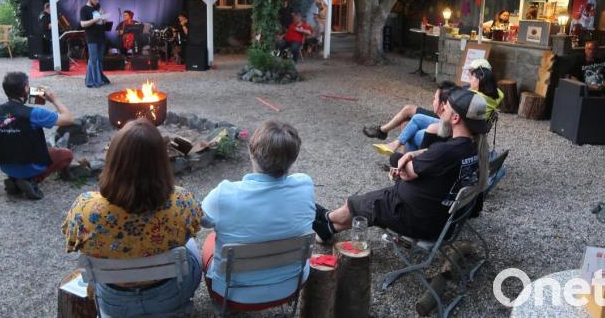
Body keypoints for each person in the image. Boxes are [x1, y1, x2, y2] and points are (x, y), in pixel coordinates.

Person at [62, 119, 203, 316]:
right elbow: (195, 227)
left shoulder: (84, 207)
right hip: (170, 296)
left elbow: (73, 242)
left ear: (113, 159)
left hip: (114, 302)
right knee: (190, 246)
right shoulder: (181, 201)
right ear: (162, 162)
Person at [314, 89, 488, 243]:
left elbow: (406, 172)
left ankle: (325, 216)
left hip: (414, 218)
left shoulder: (445, 151)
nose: (442, 110)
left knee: (355, 204)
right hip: (440, 219)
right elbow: (431, 156)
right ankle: (328, 228)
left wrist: (403, 160)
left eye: (447, 108)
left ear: (456, 118)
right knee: (368, 203)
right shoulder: (475, 147)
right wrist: (412, 154)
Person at [200, 120, 314, 306]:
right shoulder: (305, 185)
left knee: (210, 240)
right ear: (293, 157)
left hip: (232, 294)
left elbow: (203, 221)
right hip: (290, 286)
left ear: (251, 152)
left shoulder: (224, 193)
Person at [0, 72, 75, 200]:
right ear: (25, 88)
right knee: (67, 154)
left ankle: (14, 180)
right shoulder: (35, 113)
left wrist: (8, 138)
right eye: (28, 86)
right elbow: (69, 119)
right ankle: (31, 180)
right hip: (31, 165)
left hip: (6, 166)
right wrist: (54, 100)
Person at [376, 81, 458, 154]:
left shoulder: (452, 116)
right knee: (416, 119)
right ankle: (396, 145)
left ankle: (404, 159)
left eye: (435, 99)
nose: (433, 102)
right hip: (446, 128)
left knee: (413, 134)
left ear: (443, 105)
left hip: (449, 137)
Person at [79, 0, 111, 88]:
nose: (97, 1)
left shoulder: (98, 6)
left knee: (100, 59)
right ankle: (91, 81)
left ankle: (99, 78)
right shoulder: (84, 9)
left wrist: (103, 17)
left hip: (101, 36)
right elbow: (82, 24)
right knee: (93, 59)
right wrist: (94, 20)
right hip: (91, 37)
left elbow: (104, 22)